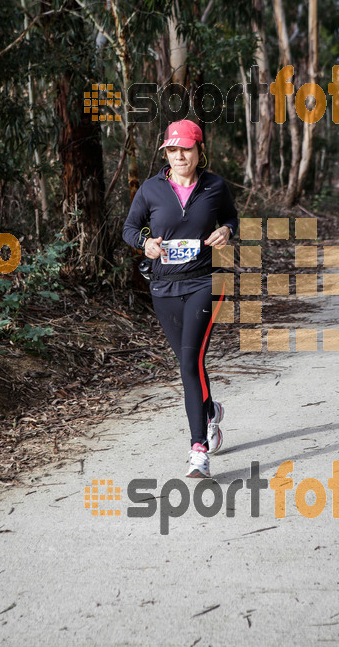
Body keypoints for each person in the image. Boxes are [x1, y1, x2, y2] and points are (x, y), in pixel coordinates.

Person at [122, 120, 238, 479]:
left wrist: (226, 230)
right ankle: (210, 410)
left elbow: (232, 218)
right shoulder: (151, 189)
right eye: (172, 150)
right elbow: (129, 228)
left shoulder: (215, 186)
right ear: (166, 153)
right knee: (190, 363)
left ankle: (198, 449)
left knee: (190, 362)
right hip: (164, 287)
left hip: (206, 282)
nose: (179, 156)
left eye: (186, 149)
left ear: (199, 151)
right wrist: (147, 244)